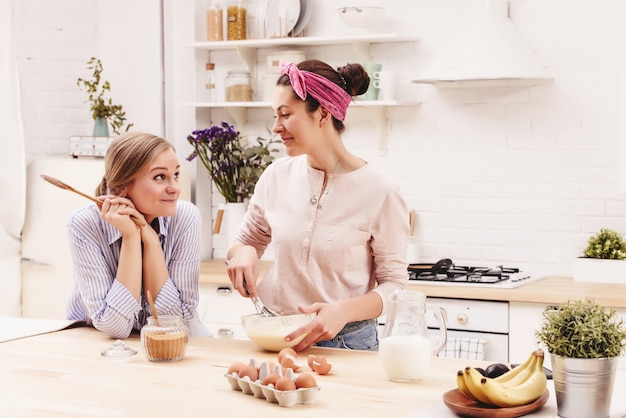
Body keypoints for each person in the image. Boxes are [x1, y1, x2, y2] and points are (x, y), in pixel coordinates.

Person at [226, 59, 409, 352]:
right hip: (274, 335)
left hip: (346, 343)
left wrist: (343, 311)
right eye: (275, 115)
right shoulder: (277, 175)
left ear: (322, 113)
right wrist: (244, 252)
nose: (276, 127)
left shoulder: (380, 190)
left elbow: (395, 286)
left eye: (285, 115)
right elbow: (245, 241)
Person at [66, 132, 208, 338]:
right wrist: (131, 237)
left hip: (175, 345)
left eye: (176, 175)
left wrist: (150, 241)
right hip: (98, 346)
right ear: (121, 186)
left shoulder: (185, 217)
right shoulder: (84, 224)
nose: (175, 188)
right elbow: (115, 327)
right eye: (160, 177)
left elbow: (175, 323)